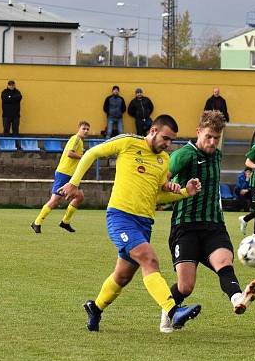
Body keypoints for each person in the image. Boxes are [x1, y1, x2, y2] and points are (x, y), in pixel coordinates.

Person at [59, 115, 203, 333]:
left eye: (171, 140)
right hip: (120, 218)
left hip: (144, 224)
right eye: (165, 138)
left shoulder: (163, 160)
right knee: (149, 259)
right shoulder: (128, 142)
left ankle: (95, 308)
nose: (168, 144)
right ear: (153, 130)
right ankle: (174, 311)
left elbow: (157, 197)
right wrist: (73, 182)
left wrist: (183, 192)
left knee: (123, 276)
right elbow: (91, 153)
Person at [162, 110, 255, 333]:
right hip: (185, 226)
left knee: (224, 263)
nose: (213, 142)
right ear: (198, 132)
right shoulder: (184, 155)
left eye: (217, 137)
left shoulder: (216, 154)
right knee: (186, 287)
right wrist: (171, 186)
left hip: (213, 225)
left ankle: (238, 299)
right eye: (208, 137)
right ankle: (168, 311)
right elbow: (161, 180)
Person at [31, 121, 90, 234]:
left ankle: (65, 222)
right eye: (84, 128)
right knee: (55, 201)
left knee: (80, 197)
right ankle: (37, 222)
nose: (86, 131)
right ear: (78, 129)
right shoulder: (76, 139)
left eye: (88, 129)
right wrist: (83, 156)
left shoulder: (80, 141)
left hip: (72, 175)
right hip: (64, 173)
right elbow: (70, 154)